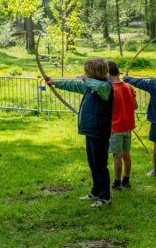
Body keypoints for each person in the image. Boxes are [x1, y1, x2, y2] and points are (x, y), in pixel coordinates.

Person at [46, 58, 114, 208]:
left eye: (87, 71)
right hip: (91, 130)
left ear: (95, 73)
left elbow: (97, 86)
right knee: (93, 164)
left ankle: (105, 196)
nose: (84, 74)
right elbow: (74, 85)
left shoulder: (105, 87)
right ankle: (96, 191)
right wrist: (55, 82)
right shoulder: (91, 86)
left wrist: (87, 80)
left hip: (99, 131)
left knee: (100, 165)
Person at [106, 61, 137, 189]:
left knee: (117, 156)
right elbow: (135, 106)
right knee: (126, 154)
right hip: (127, 127)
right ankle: (126, 180)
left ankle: (117, 183)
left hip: (116, 128)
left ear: (108, 74)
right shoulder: (128, 87)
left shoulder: (111, 90)